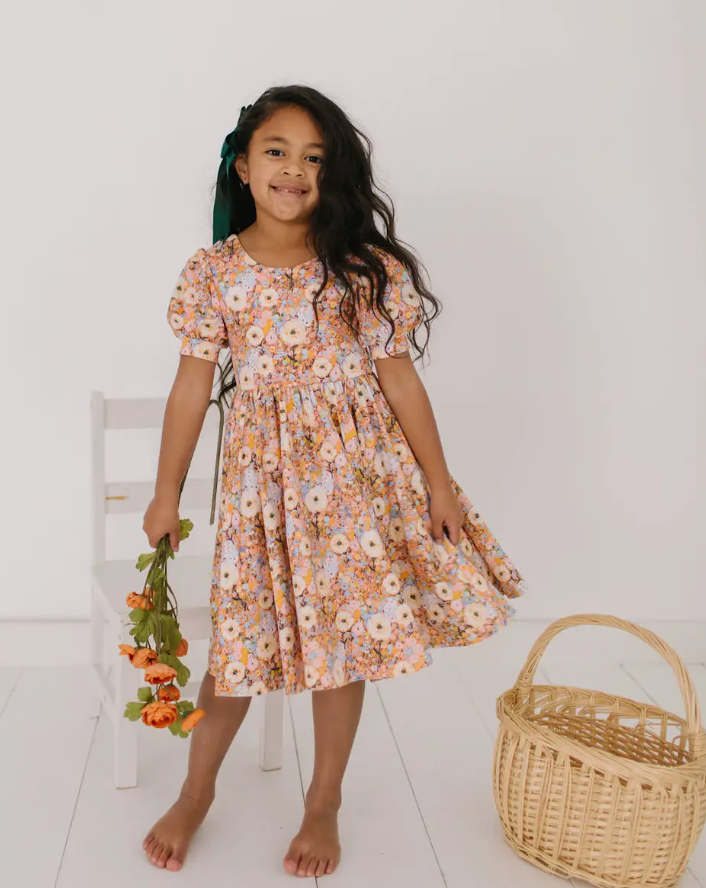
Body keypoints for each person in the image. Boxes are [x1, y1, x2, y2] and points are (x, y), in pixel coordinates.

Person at [141, 84, 527, 878]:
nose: (294, 170)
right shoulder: (214, 273)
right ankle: (196, 792)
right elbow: (189, 391)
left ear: (333, 173)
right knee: (239, 647)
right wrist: (166, 493)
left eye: (314, 158)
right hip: (261, 493)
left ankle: (324, 802)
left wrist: (440, 484)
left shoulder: (359, 268)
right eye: (276, 152)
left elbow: (400, 381)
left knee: (341, 646)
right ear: (243, 166)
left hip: (353, 488)